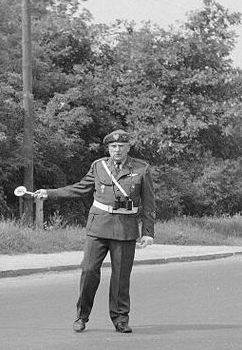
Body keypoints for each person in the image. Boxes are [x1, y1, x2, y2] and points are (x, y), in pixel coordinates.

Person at [34, 129, 155, 333]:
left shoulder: (142, 169)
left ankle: (120, 319)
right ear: (108, 148)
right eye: (113, 146)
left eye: (121, 146)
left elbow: (149, 203)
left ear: (128, 147)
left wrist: (148, 232)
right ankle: (82, 316)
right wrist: (50, 193)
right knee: (89, 270)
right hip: (98, 227)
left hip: (126, 228)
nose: (117, 150)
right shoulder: (99, 167)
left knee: (121, 277)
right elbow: (80, 188)